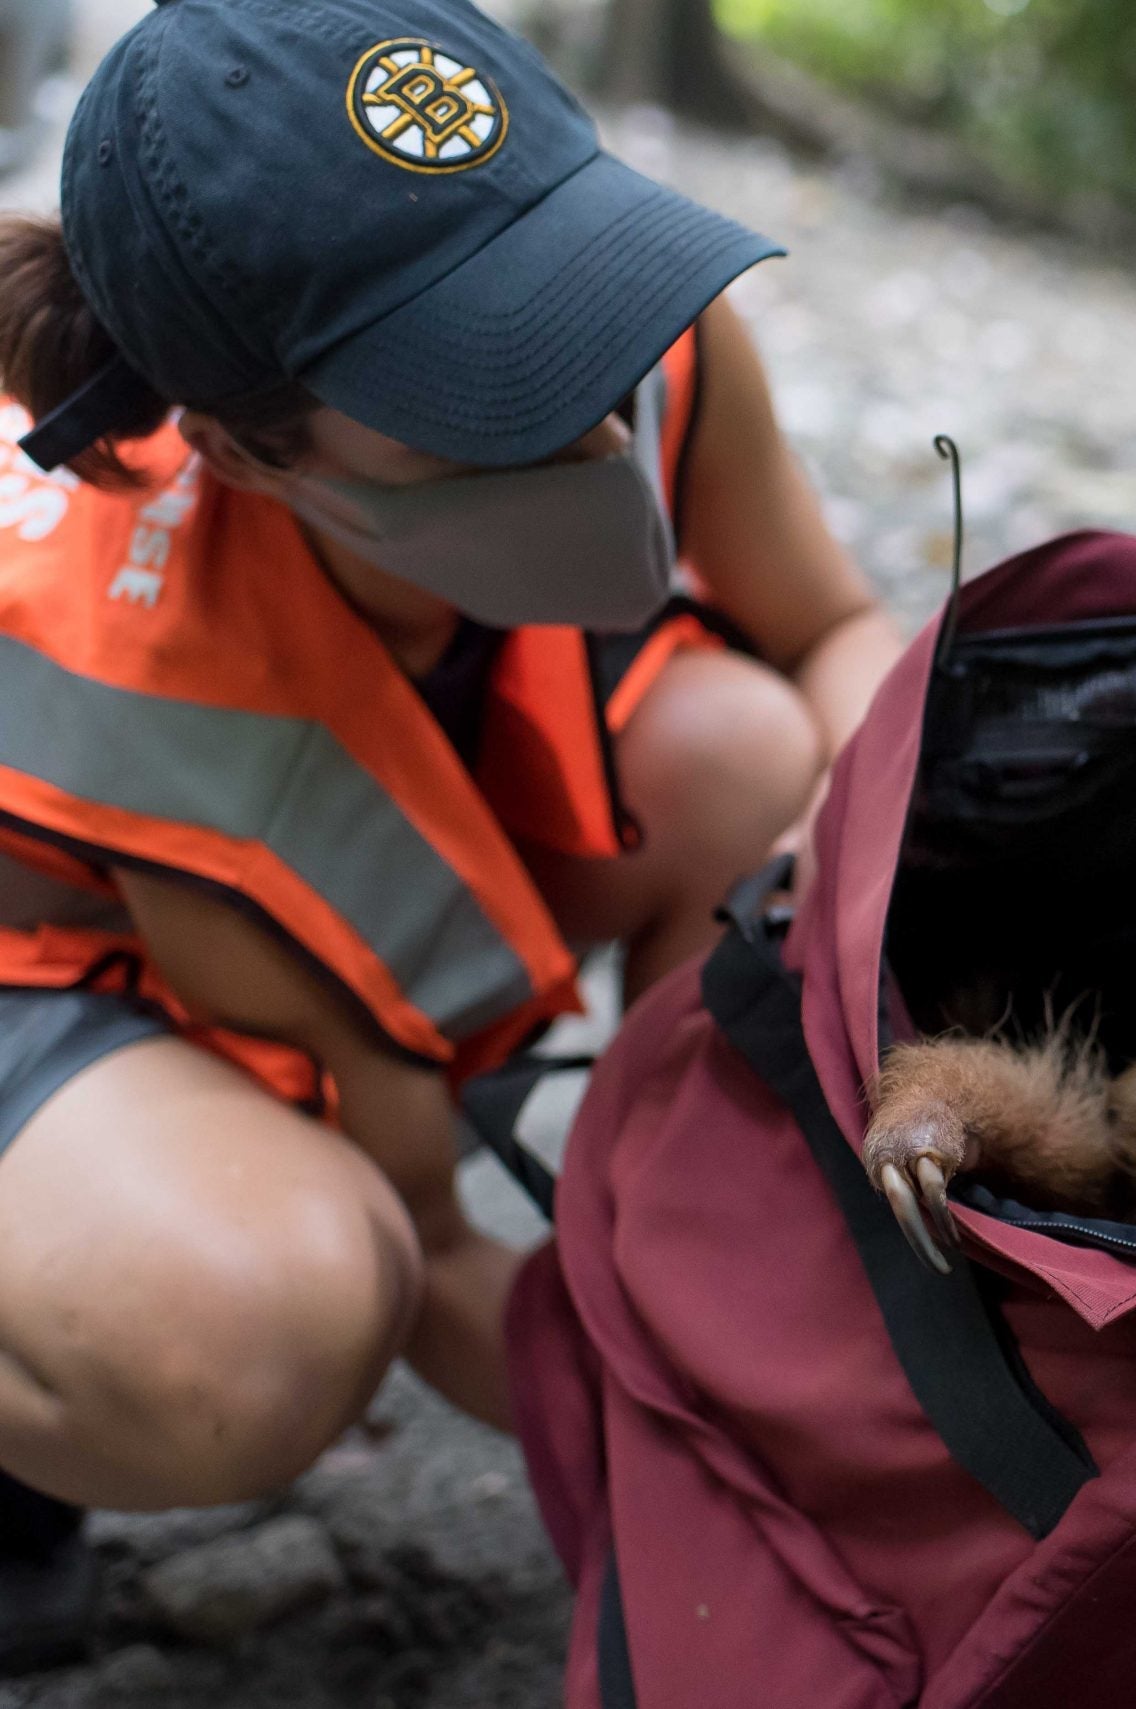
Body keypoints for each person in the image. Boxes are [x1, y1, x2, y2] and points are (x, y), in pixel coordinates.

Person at [0, 0, 903, 1668]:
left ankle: (694, 1216)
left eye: (561, 301)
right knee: (258, 1321)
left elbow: (838, 632)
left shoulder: (651, 347)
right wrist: (767, 1481)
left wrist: (856, 882)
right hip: (68, 940)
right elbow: (426, 1242)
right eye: (470, 382)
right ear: (241, 451)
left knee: (751, 751)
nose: (596, 425)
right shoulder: (171, 688)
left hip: (322, 865)